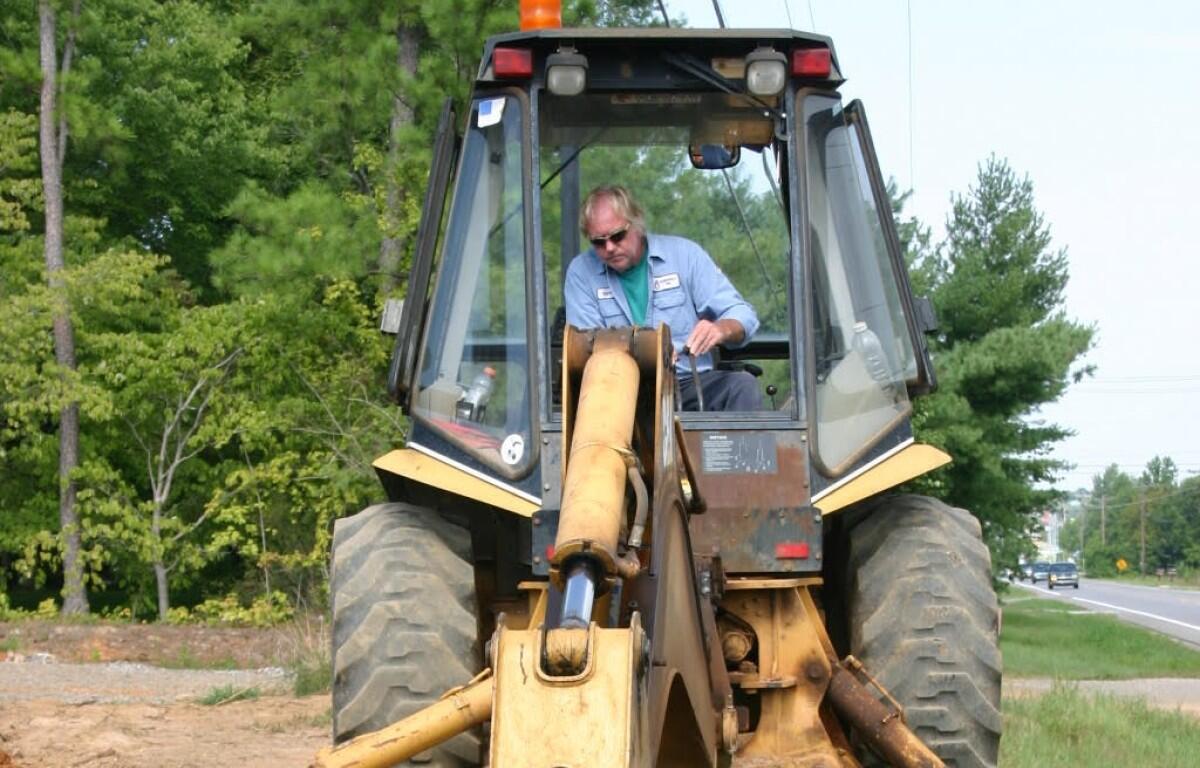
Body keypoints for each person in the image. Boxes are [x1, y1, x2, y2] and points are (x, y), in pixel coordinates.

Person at [564, 185, 762, 411]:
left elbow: (743, 315)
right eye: (598, 242)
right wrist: (648, 353)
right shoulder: (581, 272)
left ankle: (741, 449)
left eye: (618, 236)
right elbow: (584, 349)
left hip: (687, 384)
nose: (609, 247)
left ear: (637, 223)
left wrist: (721, 329)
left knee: (742, 386)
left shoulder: (686, 255)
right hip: (620, 394)